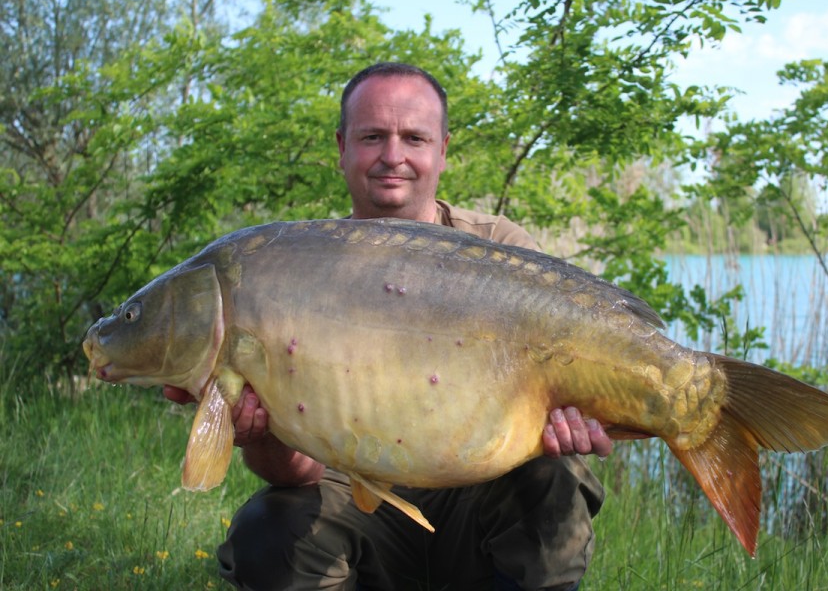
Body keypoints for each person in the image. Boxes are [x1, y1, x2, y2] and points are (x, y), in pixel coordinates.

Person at [165, 62, 612, 590]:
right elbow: (299, 475)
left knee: (555, 481)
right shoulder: (293, 270)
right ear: (342, 147)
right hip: (362, 512)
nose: (393, 156)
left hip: (476, 499)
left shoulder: (500, 248)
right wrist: (257, 434)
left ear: (442, 150)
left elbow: (569, 379)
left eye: (414, 138)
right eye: (373, 136)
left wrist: (578, 421)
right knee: (268, 530)